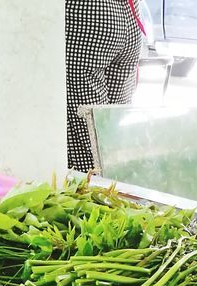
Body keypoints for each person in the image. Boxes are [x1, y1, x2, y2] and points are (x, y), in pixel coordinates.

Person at [65, 0, 144, 172]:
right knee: (114, 135)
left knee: (90, 140)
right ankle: (120, 189)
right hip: (128, 12)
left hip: (88, 13)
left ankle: (99, 192)